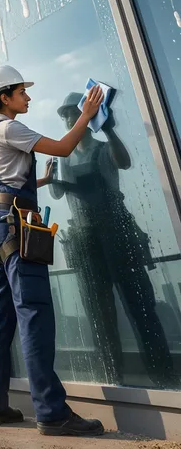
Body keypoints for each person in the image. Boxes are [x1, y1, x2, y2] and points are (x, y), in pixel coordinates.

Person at [0, 65, 105, 436]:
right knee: (34, 313)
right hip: (15, 225)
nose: (28, 97)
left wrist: (37, 179)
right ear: (4, 97)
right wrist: (87, 115)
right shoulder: (11, 127)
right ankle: (52, 412)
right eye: (22, 92)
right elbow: (63, 147)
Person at [52, 93, 178, 388]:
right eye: (65, 116)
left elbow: (124, 161)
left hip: (117, 234)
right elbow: (57, 194)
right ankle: (112, 378)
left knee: (142, 307)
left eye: (73, 113)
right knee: (100, 315)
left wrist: (107, 127)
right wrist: (54, 173)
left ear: (87, 116)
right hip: (85, 241)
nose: (69, 120)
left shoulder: (104, 148)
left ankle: (163, 376)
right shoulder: (63, 156)